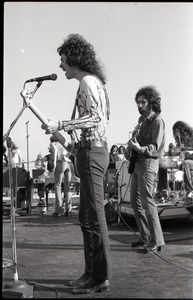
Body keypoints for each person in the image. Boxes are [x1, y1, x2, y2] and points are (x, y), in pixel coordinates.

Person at [41, 33, 111, 294]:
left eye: (62, 59)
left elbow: (94, 119)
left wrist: (61, 124)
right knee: (86, 217)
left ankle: (100, 276)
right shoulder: (93, 83)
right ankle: (91, 272)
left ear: (73, 57)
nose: (60, 65)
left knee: (94, 217)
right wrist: (65, 133)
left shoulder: (88, 83)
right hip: (89, 151)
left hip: (93, 152)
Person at [127, 85, 165, 253]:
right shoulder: (141, 121)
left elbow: (156, 147)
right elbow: (138, 142)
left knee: (147, 201)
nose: (140, 105)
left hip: (149, 163)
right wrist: (131, 147)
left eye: (143, 102)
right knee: (134, 202)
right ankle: (145, 236)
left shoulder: (157, 121)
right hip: (137, 163)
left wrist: (140, 149)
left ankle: (156, 240)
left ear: (151, 102)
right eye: (138, 102)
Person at [49, 135, 72, 217]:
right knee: (67, 186)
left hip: (60, 162)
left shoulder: (53, 144)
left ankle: (59, 209)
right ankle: (68, 209)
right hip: (68, 163)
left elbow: (55, 151)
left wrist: (54, 164)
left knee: (58, 186)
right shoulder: (62, 144)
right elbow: (69, 152)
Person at [172, 121, 193, 191]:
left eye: (177, 131)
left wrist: (188, 154)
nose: (176, 134)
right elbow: (176, 153)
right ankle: (164, 190)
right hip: (185, 161)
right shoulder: (180, 141)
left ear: (183, 130)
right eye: (174, 132)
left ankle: (189, 190)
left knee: (185, 163)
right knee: (166, 164)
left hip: (190, 161)